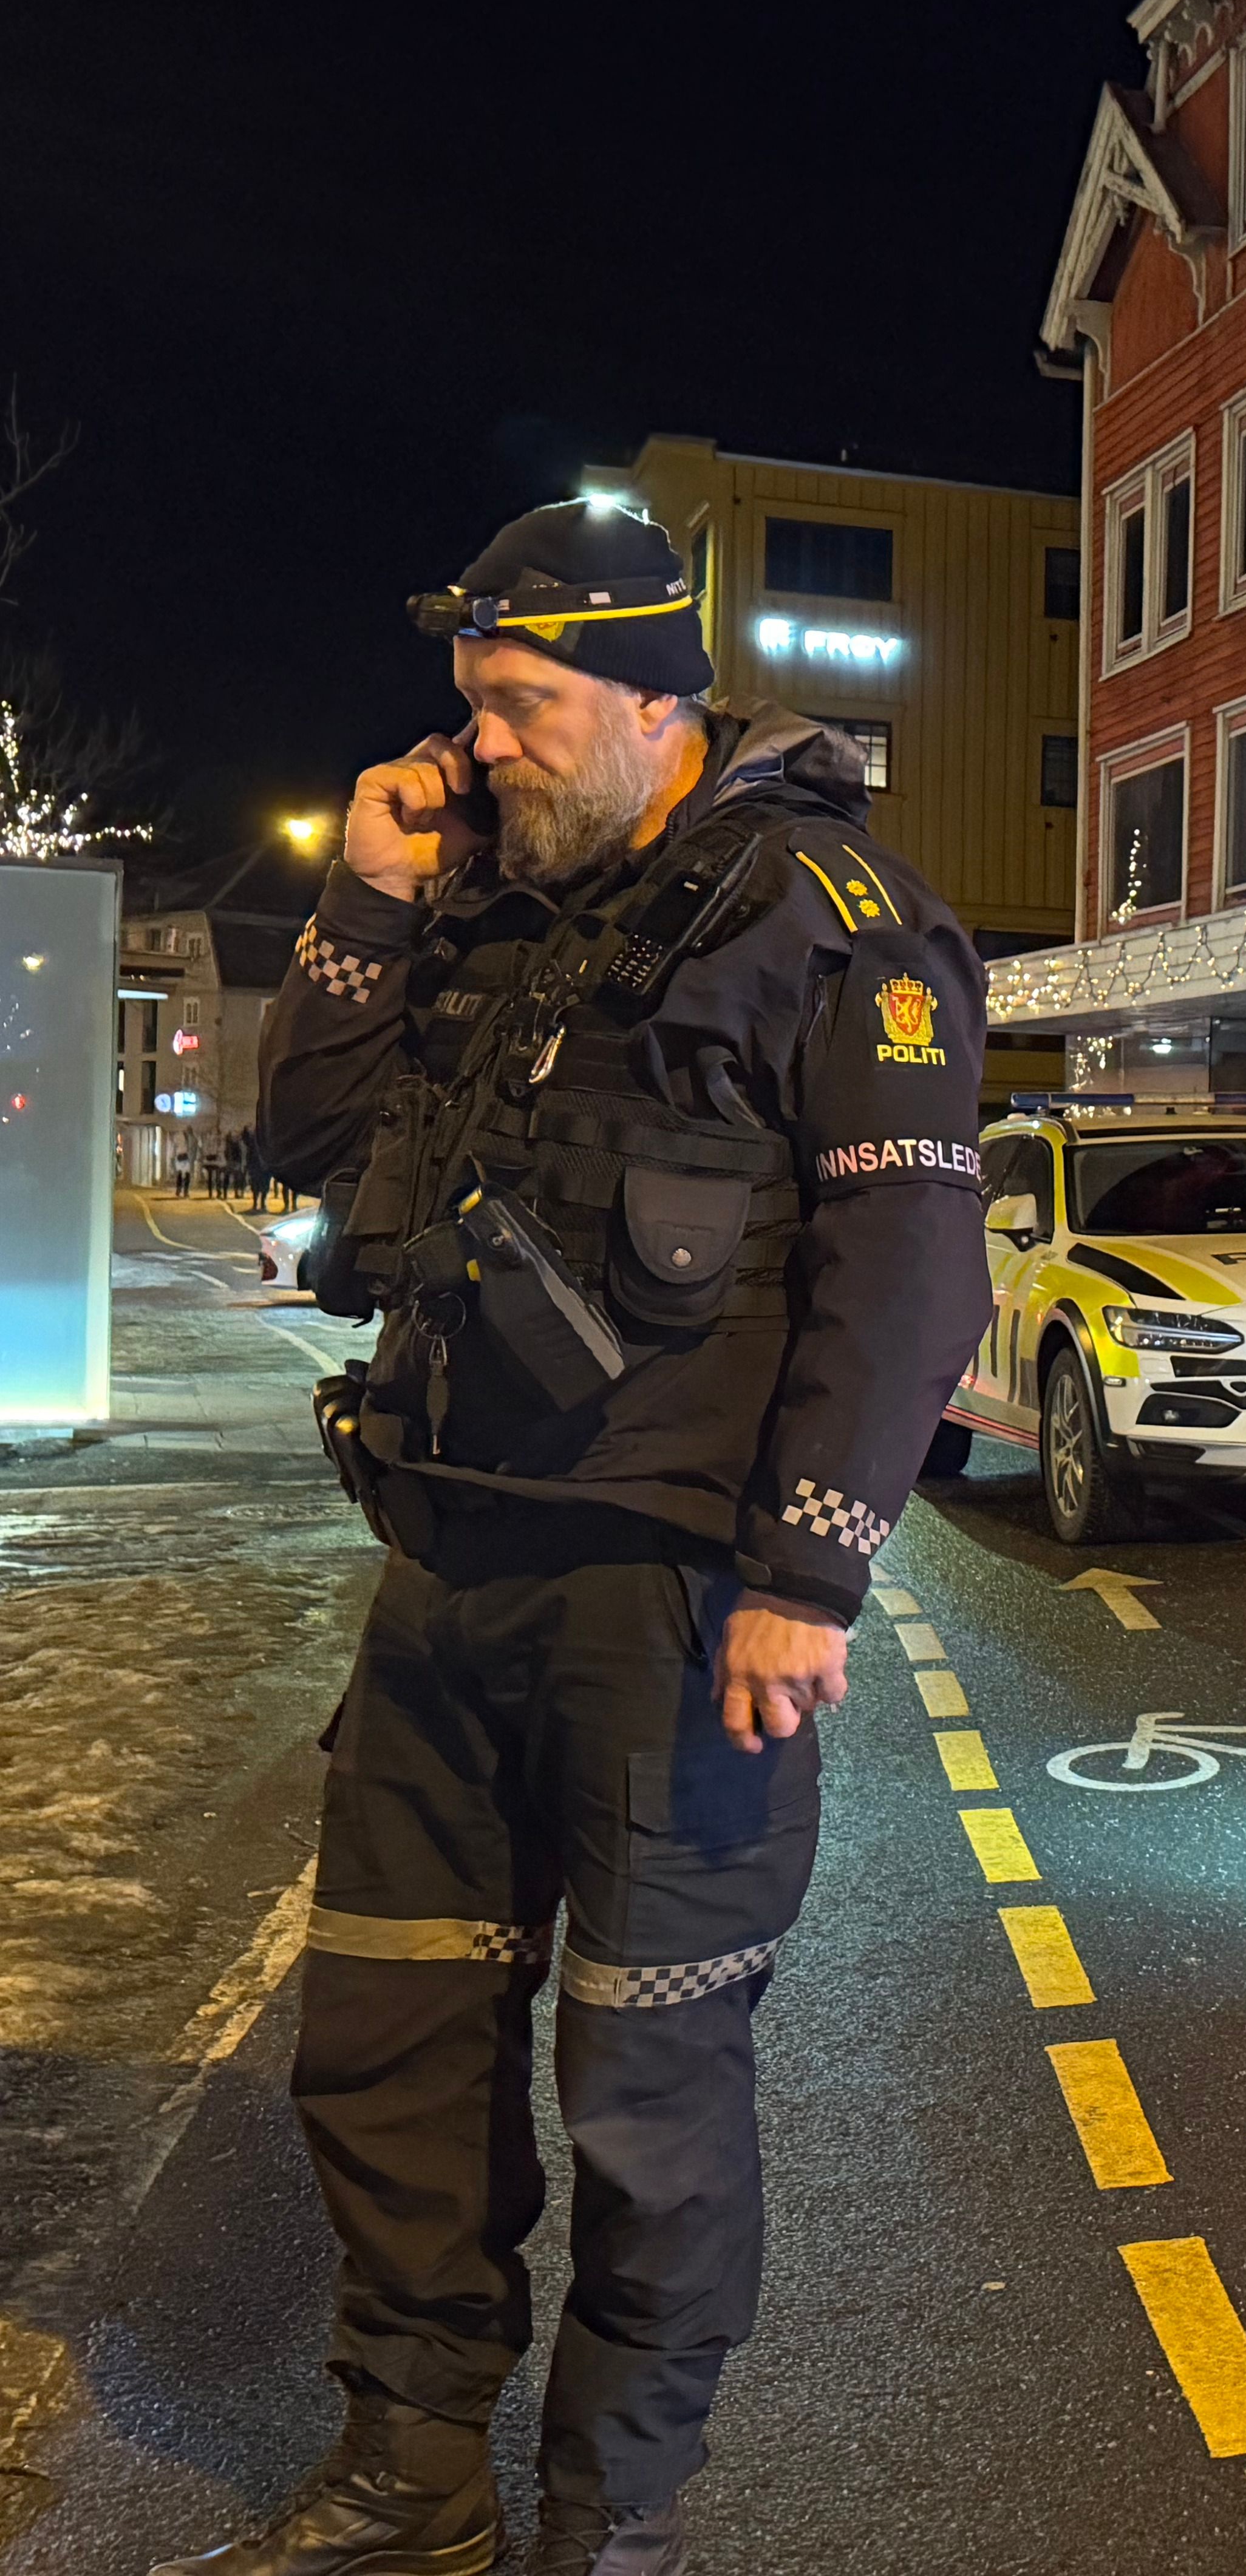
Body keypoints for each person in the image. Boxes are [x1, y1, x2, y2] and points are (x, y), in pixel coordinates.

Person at [180, 501, 990, 2576]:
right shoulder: (490, 900)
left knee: (645, 2087)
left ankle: (607, 2523)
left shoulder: (831, 918)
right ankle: (411, 2479)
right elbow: (314, 1140)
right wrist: (369, 896)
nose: (477, 746)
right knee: (389, 2047)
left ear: (652, 701)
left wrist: (809, 1573)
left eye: (520, 705)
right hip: (447, 1570)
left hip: (674, 1601)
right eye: (470, 704)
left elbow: (910, 1266)